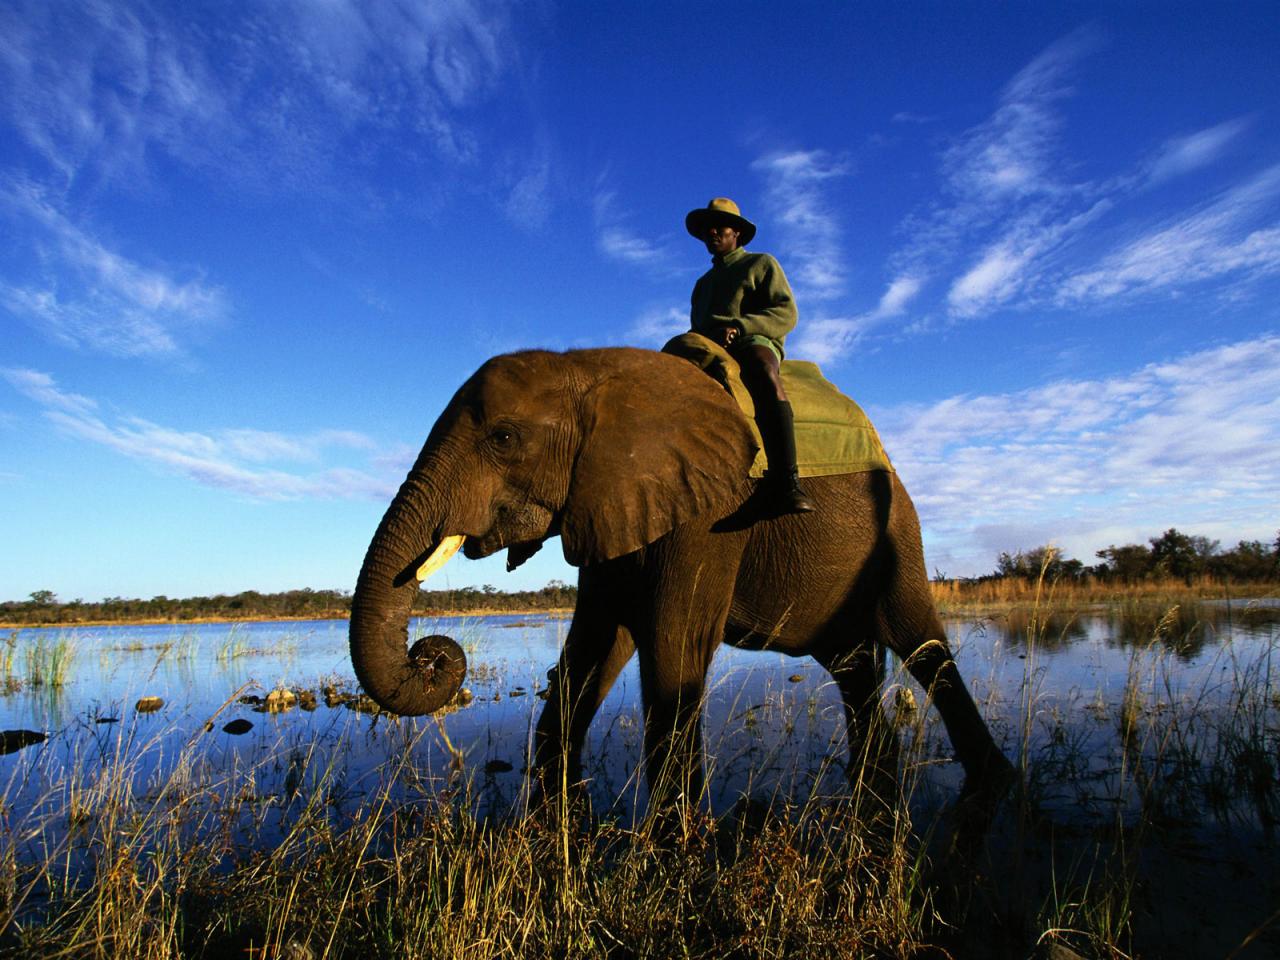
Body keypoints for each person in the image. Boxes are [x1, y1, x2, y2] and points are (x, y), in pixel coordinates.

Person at [685, 197, 816, 514]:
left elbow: (786, 312)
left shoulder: (761, 264)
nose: (712, 233)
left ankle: (787, 481)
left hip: (752, 340)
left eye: (720, 227)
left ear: (737, 233)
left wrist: (741, 327)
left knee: (761, 370)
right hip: (709, 349)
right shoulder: (702, 285)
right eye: (707, 229)